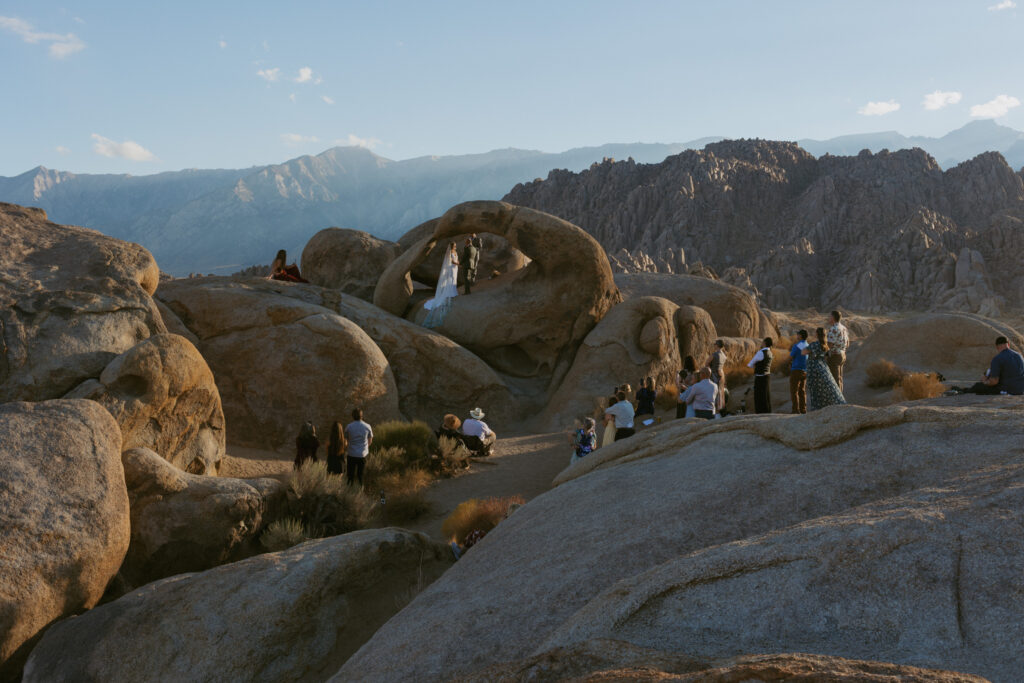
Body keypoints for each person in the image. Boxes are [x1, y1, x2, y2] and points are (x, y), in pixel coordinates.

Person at [803, 327, 846, 410]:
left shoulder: (814, 344)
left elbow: (803, 352)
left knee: (815, 389)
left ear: (817, 334)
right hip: (823, 367)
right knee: (827, 387)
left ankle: (817, 407)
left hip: (813, 368)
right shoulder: (825, 345)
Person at [423, 242, 460, 328]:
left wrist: (457, 262)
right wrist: (456, 263)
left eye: (455, 245)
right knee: (451, 279)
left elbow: (456, 259)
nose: (455, 246)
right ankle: (450, 292)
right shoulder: (450, 252)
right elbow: (450, 261)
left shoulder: (455, 252)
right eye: (454, 245)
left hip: (455, 268)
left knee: (454, 279)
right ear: (451, 246)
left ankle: (453, 291)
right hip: (452, 268)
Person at [344, 409, 373, 487]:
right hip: (362, 455)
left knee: (350, 476)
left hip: (351, 454)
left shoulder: (349, 426)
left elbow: (345, 441)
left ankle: (348, 492)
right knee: (360, 475)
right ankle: (360, 491)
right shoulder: (368, 426)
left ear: (352, 416)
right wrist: (364, 448)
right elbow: (370, 441)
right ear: (362, 416)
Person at [747, 337, 774, 413]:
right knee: (766, 396)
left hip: (760, 377)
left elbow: (750, 364)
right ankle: (767, 412)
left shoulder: (760, 352)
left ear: (764, 343)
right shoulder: (770, 353)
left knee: (759, 397)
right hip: (767, 376)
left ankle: (760, 413)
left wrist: (755, 366)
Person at [825, 310, 849, 391]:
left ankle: (837, 401)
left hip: (835, 356)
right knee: (840, 379)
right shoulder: (844, 328)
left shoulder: (833, 328)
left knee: (835, 380)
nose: (828, 318)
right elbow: (848, 343)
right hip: (842, 355)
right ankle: (841, 399)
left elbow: (830, 344)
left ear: (833, 318)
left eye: (829, 316)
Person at [789, 330, 809, 414]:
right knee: (802, 390)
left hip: (796, 369)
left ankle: (795, 410)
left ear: (800, 336)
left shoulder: (797, 345)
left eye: (797, 334)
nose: (796, 335)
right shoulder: (807, 345)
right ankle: (803, 409)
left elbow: (791, 356)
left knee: (794, 391)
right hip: (805, 370)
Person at [708, 340, 727, 413]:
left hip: (714, 374)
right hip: (722, 374)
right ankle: (720, 409)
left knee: (714, 392)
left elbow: (706, 363)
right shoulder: (724, 355)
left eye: (715, 344)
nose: (714, 345)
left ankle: (715, 411)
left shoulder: (714, 354)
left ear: (717, 345)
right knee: (720, 392)